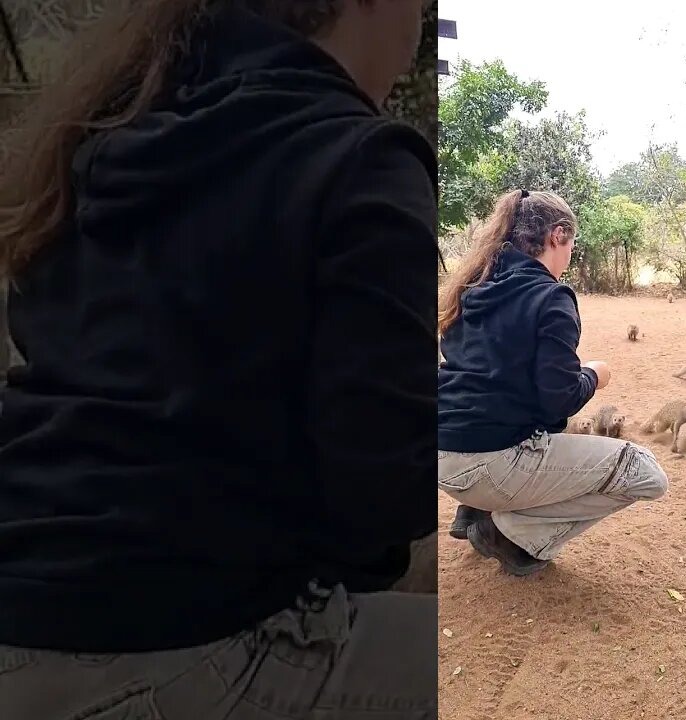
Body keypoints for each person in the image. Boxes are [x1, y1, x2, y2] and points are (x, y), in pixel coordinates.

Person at [0, 1, 438, 717]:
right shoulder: (357, 153)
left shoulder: (105, 136)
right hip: (162, 640)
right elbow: (381, 494)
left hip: (22, 595)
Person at [437, 188, 670, 577]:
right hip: (487, 463)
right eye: (571, 246)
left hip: (441, 450)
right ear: (557, 236)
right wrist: (594, 375)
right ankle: (506, 531)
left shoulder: (473, 288)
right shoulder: (551, 296)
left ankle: (473, 510)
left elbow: (485, 375)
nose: (568, 258)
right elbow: (556, 403)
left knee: (517, 418)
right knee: (646, 474)